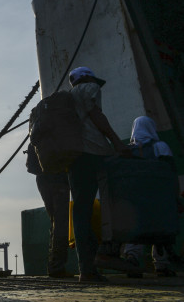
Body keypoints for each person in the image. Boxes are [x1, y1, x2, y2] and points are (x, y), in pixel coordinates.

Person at [66, 67, 133, 283]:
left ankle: (86, 269)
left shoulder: (68, 98)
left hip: (74, 157)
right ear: (88, 77)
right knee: (113, 204)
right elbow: (96, 114)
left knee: (81, 210)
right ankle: (109, 254)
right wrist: (116, 141)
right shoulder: (90, 87)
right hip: (94, 152)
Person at [122, 115, 183, 277]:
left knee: (135, 228)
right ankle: (161, 265)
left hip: (134, 197)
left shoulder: (127, 149)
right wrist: (175, 196)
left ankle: (132, 259)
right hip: (158, 196)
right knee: (160, 228)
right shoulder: (160, 146)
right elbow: (171, 173)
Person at [25, 147, 74, 278]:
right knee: (60, 221)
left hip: (42, 175)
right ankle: (57, 266)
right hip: (57, 174)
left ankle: (54, 265)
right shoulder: (61, 126)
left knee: (55, 220)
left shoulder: (35, 126)